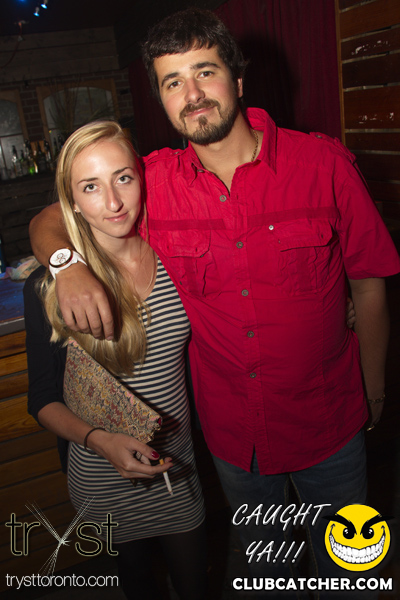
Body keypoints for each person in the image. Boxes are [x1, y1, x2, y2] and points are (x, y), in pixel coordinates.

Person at [29, 8, 400, 596]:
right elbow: (57, 211)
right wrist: (65, 265)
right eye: (173, 82)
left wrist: (373, 387)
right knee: (267, 572)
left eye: (205, 71)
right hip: (234, 439)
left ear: (238, 79)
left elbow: (370, 283)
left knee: (351, 571)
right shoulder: (151, 183)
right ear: (161, 99)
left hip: (331, 425)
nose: (193, 94)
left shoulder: (323, 165)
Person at [24, 120, 207, 600]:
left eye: (123, 178)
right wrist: (100, 441)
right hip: (102, 475)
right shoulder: (50, 288)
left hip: (179, 464)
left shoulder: (176, 255)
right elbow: (42, 400)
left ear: (141, 177)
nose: (113, 202)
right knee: (139, 588)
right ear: (71, 201)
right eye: (90, 186)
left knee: (195, 585)